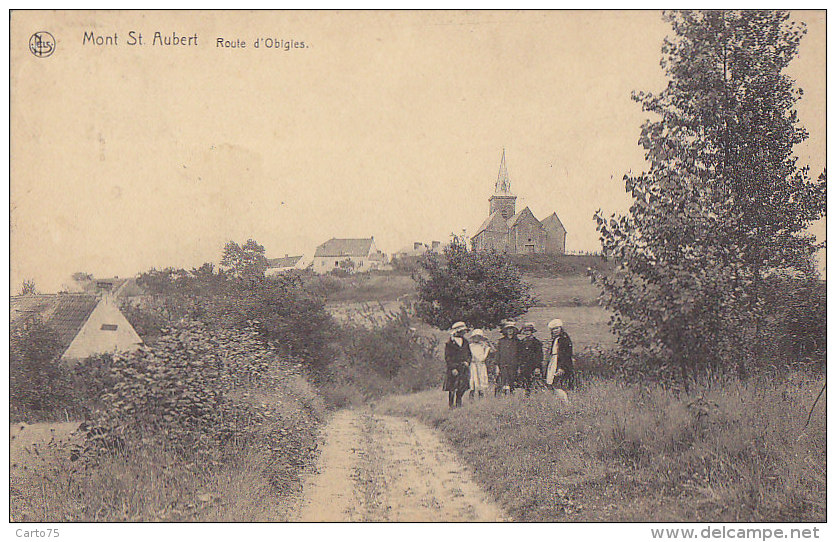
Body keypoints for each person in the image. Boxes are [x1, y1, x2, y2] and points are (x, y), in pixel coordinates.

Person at [443, 321, 471, 408]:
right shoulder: (450, 343)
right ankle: (451, 405)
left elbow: (469, 354)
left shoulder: (465, 342)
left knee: (462, 386)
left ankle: (459, 403)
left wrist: (467, 362)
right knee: (452, 387)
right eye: (462, 331)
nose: (464, 333)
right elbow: (448, 357)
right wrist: (453, 368)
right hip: (454, 367)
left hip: (463, 367)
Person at [546, 319, 574, 391]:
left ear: (561, 329)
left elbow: (566, 355)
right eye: (553, 329)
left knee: (561, 384)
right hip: (554, 361)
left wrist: (562, 367)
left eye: (556, 328)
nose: (555, 331)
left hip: (561, 362)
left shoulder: (564, 339)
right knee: (552, 382)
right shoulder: (556, 339)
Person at [495, 321, 521, 395]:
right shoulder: (501, 341)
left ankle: (511, 397)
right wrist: (497, 365)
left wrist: (519, 366)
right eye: (508, 329)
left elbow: (519, 355)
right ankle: (500, 398)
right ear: (505, 330)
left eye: (511, 329)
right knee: (501, 381)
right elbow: (498, 354)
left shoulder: (517, 342)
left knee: (512, 381)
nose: (510, 331)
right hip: (502, 365)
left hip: (513, 365)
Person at [518, 322, 544, 396]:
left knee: (535, 385)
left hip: (533, 367)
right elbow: (520, 356)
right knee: (525, 385)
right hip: (524, 367)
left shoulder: (537, 343)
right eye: (525, 331)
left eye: (528, 331)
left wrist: (537, 367)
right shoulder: (522, 342)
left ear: (532, 332)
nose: (527, 332)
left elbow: (539, 356)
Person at [467, 329, 491, 399]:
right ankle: (472, 396)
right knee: (473, 380)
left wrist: (487, 347)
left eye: (478, 337)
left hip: (481, 365)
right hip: (473, 365)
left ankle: (481, 396)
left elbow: (486, 355)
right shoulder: (470, 346)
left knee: (482, 379)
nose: (476, 339)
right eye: (475, 337)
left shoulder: (483, 346)